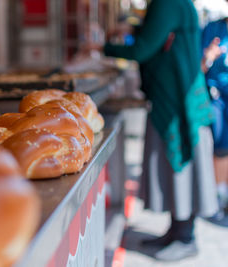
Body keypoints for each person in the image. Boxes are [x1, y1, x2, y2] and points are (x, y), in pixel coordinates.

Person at [87, 0, 218, 261]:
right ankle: (175, 231)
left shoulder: (168, 3)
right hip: (177, 97)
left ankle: (185, 237)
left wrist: (102, 47)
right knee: (174, 166)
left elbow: (143, 49)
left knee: (180, 164)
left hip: (178, 102)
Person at [202, 14, 228, 217]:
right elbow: (200, 66)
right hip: (216, 95)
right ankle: (220, 197)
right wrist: (209, 57)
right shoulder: (213, 29)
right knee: (220, 146)